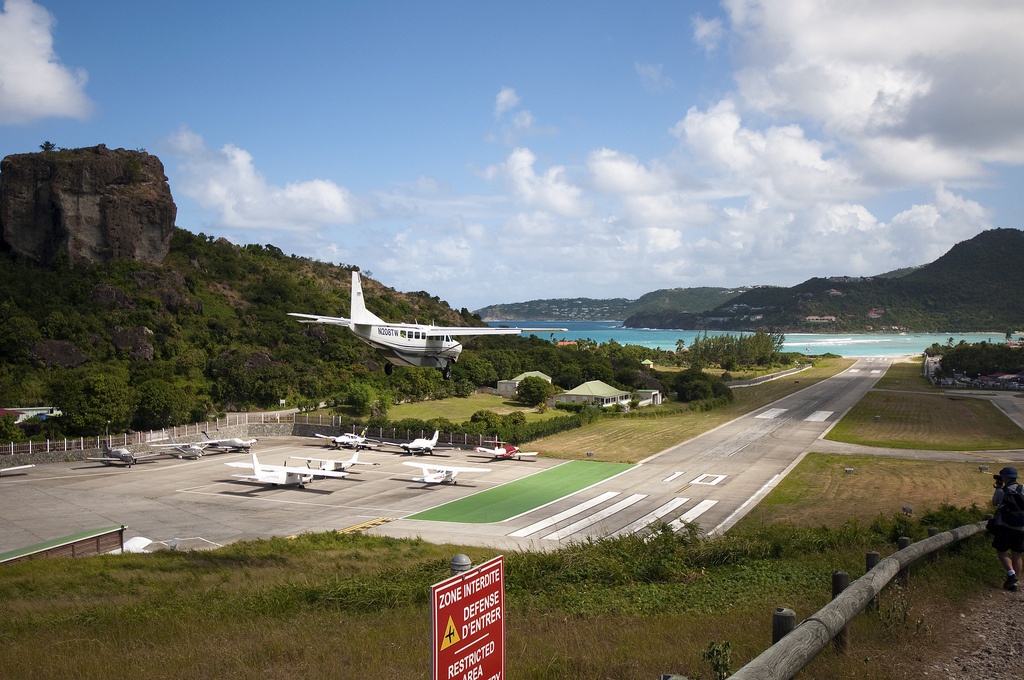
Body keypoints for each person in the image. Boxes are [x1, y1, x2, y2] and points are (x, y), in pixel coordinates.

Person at [991, 466, 1024, 592]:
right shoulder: (1023, 488)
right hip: (1021, 527)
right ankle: (1015, 582)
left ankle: (1011, 575)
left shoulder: (1002, 491)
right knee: (1017, 554)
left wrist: (998, 488)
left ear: (1005, 477)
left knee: (1001, 551)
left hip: (1005, 526)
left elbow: (994, 502)